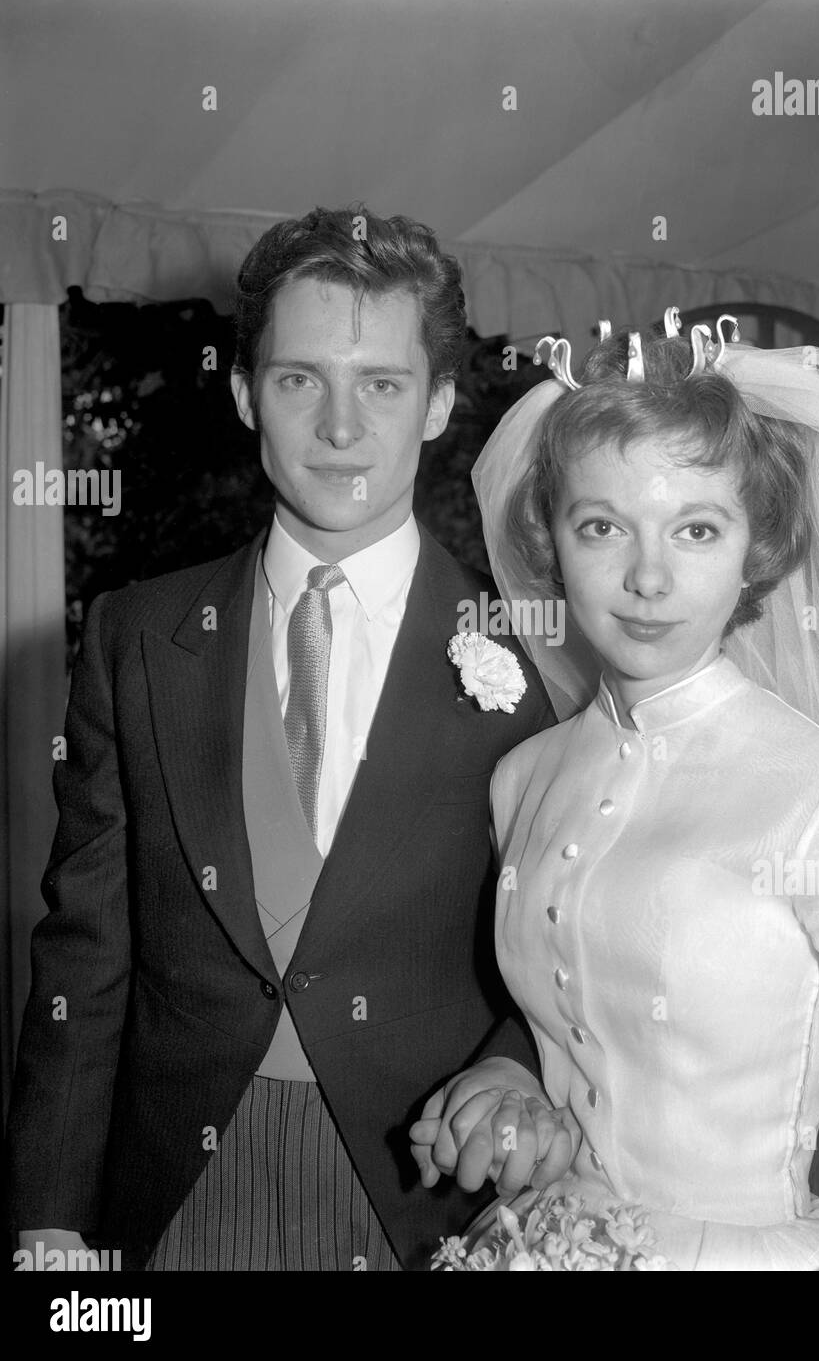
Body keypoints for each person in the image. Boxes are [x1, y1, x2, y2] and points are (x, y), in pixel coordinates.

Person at [6, 205, 561, 1272]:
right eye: (302, 378)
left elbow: (566, 956)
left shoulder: (531, 657)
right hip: (173, 1196)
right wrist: (46, 1215)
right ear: (244, 392)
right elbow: (85, 948)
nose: (340, 428)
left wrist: (509, 1073)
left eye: (382, 385)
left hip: (422, 1198)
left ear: (440, 403)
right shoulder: (134, 638)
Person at [411, 314, 819, 1270]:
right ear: (551, 542)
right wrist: (514, 1087)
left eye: (697, 528)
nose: (648, 576)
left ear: (757, 547)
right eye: (602, 526)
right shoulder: (519, 780)